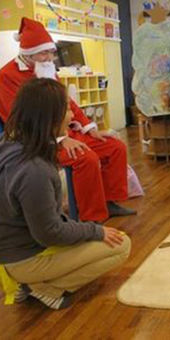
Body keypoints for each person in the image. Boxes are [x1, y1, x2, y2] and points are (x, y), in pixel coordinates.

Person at [0, 78, 131, 309]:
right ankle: (47, 287)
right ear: (52, 117)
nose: (72, 116)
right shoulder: (33, 170)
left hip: (14, 250)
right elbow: (49, 233)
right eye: (69, 109)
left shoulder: (12, 144)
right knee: (121, 245)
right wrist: (95, 231)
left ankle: (32, 281)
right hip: (24, 257)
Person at [0, 17, 135, 222]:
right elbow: (19, 120)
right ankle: (91, 217)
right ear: (27, 53)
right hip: (37, 140)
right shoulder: (6, 77)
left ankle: (109, 201)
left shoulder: (46, 69)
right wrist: (61, 139)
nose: (49, 58)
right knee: (85, 158)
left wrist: (89, 128)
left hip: (64, 131)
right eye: (43, 52)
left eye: (51, 52)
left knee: (114, 147)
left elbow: (68, 102)